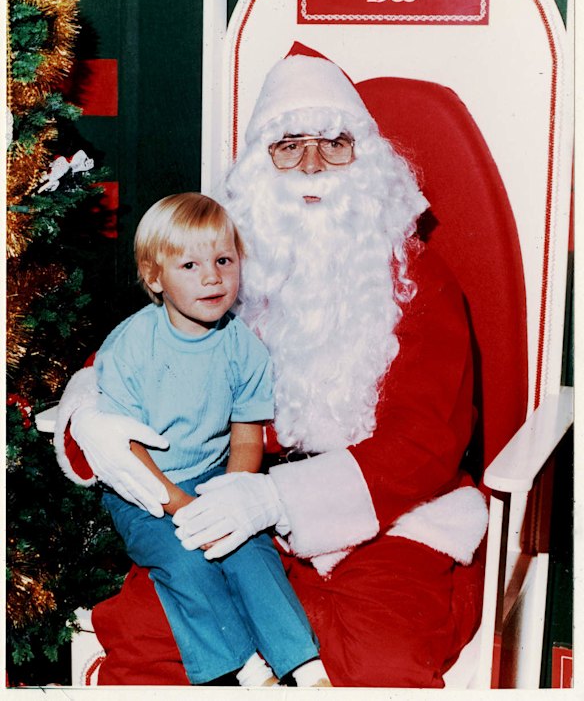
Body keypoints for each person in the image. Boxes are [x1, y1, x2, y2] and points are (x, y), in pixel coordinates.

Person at [54, 45, 489, 687]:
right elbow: (135, 348)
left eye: (333, 143)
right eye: (288, 145)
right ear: (261, 164)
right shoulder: (226, 264)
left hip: (388, 522)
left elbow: (424, 444)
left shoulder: (418, 281)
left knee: (380, 666)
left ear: (367, 161)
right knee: (153, 641)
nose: (311, 165)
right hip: (228, 503)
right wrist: (90, 417)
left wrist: (277, 498)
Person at [86, 191, 330, 688]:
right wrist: (179, 505)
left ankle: (304, 666)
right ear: (156, 277)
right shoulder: (131, 345)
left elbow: (246, 437)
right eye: (190, 265)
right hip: (144, 489)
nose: (212, 276)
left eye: (223, 260)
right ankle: (244, 667)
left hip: (210, 477)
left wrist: (232, 496)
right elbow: (126, 450)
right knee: (184, 558)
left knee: (249, 548)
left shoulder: (244, 347)